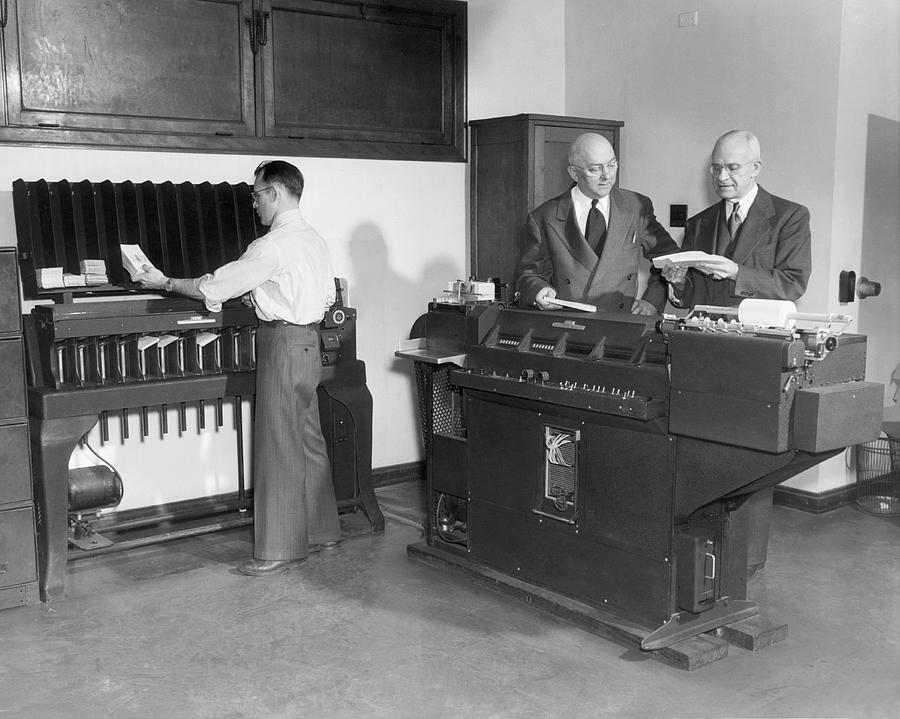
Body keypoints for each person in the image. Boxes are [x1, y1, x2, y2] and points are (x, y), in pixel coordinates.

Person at [134, 160, 341, 577]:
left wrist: (165, 283)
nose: (254, 203)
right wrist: (262, 296)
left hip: (281, 343)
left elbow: (213, 285)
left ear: (276, 193)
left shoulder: (271, 245)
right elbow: (321, 297)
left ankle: (279, 550)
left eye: (257, 194)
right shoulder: (314, 239)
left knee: (277, 444)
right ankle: (323, 533)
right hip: (309, 342)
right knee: (308, 440)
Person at [663, 130, 812, 579]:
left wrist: (738, 272)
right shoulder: (701, 221)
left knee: (750, 455)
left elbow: (792, 283)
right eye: (716, 168)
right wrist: (675, 280)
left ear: (755, 168)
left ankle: (744, 565)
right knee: (703, 450)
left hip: (758, 356)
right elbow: (690, 296)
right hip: (707, 354)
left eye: (732, 168)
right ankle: (702, 559)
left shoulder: (788, 216)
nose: (722, 176)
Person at [515, 132, 679, 314]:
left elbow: (672, 259)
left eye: (611, 164)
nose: (607, 176)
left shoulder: (637, 207)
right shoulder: (544, 217)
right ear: (574, 173)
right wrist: (538, 291)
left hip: (621, 325)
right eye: (595, 169)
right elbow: (528, 275)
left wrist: (652, 301)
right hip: (568, 325)